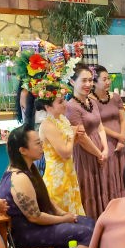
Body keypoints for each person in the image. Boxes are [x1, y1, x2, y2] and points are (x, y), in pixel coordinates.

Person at [0, 126, 94, 248]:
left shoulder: (28, 169)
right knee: (86, 232)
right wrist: (63, 219)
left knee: (89, 223)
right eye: (38, 143)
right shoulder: (19, 178)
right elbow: (35, 217)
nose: (42, 146)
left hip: (38, 225)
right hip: (27, 233)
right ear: (23, 150)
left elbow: (46, 199)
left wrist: (63, 213)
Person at [36, 75, 86, 215]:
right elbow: (65, 152)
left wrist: (76, 137)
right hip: (56, 175)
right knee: (63, 214)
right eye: (60, 102)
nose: (65, 104)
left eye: (64, 100)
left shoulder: (62, 119)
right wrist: (72, 134)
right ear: (48, 107)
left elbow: (69, 145)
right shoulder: (47, 125)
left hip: (69, 171)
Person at [66, 63, 109, 219]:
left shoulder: (92, 102)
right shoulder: (71, 107)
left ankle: (101, 222)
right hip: (84, 153)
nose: (88, 84)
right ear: (72, 82)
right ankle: (90, 225)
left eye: (90, 80)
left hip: (99, 150)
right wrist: (99, 154)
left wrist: (106, 149)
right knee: (89, 189)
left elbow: (100, 127)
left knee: (100, 188)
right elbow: (82, 137)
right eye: (83, 80)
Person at [92, 65, 125, 201]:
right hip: (105, 141)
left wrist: (122, 138)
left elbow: (123, 119)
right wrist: (119, 136)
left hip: (120, 142)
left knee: (122, 171)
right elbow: (98, 124)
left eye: (108, 78)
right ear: (94, 82)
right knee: (109, 172)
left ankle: (123, 201)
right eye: (104, 79)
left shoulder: (116, 97)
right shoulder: (90, 101)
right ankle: (110, 202)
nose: (108, 82)